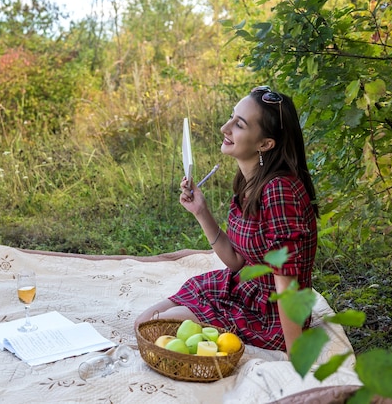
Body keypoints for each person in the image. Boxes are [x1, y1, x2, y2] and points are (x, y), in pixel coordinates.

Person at [134, 86, 318, 356]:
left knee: (157, 331)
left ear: (265, 144)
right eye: (231, 117)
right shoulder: (249, 182)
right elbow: (236, 261)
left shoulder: (280, 190)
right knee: (146, 322)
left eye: (239, 124)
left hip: (271, 315)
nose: (224, 127)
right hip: (244, 288)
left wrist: (295, 359)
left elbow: (286, 279)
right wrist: (201, 211)